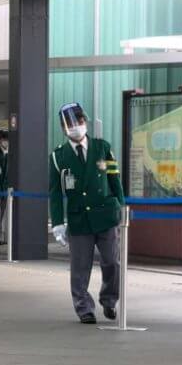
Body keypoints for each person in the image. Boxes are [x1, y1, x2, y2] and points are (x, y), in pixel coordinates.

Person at [48, 103, 124, 324]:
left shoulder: (103, 148)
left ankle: (109, 300)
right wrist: (57, 222)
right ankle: (84, 308)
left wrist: (122, 206)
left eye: (79, 122)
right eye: (70, 124)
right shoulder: (57, 157)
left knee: (112, 262)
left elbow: (114, 180)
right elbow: (54, 192)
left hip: (105, 215)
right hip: (79, 217)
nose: (76, 127)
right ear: (63, 128)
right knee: (80, 267)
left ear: (85, 122)